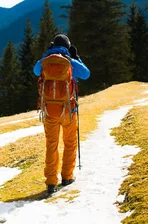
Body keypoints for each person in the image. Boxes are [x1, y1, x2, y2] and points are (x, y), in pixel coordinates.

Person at [33, 34, 90, 196]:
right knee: (70, 143)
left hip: (49, 111)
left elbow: (36, 70)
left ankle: (51, 182)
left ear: (53, 46)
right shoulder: (69, 61)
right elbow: (86, 74)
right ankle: (67, 176)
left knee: (51, 144)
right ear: (67, 46)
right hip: (68, 111)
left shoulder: (46, 60)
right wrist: (76, 58)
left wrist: (47, 54)